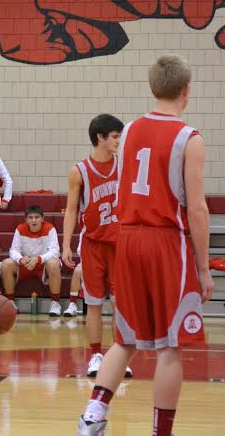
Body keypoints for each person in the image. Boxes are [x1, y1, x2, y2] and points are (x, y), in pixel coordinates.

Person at [77, 55, 213, 436]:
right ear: (186, 91)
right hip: (164, 239)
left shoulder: (131, 129)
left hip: (127, 238)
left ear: (154, 88)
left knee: (125, 339)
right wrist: (202, 267)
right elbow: (198, 209)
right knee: (171, 347)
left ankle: (92, 416)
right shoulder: (190, 137)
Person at [62, 114, 129, 377]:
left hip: (119, 244)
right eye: (114, 137)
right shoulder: (79, 171)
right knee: (94, 304)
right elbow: (70, 211)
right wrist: (66, 246)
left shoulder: (124, 168)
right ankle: (95, 356)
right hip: (92, 245)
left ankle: (119, 355)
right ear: (100, 138)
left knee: (120, 304)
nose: (118, 142)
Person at [0, 205, 61, 314]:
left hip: (43, 264)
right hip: (25, 264)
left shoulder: (50, 228)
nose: (34, 220)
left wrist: (39, 259)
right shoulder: (20, 228)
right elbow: (13, 250)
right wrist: (20, 259)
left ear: (42, 219)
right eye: (31, 217)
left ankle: (55, 303)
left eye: (37, 217)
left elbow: (55, 251)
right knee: (6, 264)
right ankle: (10, 301)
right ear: (26, 220)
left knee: (54, 263)